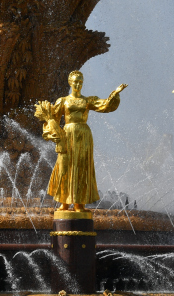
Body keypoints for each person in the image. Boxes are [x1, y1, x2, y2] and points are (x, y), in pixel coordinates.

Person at [37, 71, 127, 212]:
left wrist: (115, 93)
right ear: (70, 82)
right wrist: (53, 132)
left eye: (80, 82)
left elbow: (104, 105)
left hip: (84, 135)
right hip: (67, 134)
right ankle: (64, 202)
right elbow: (53, 118)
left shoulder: (87, 101)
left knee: (81, 167)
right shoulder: (63, 101)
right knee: (64, 166)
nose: (78, 84)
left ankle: (79, 204)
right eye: (75, 81)